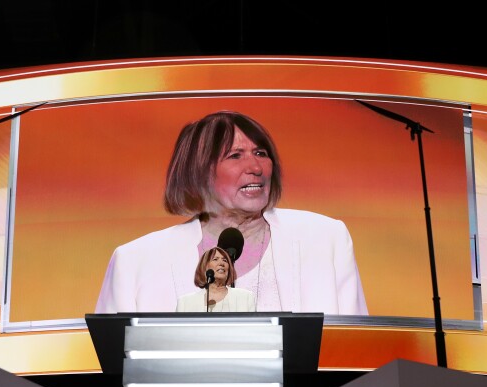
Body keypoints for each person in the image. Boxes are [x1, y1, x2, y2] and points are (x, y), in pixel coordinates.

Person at [95, 110, 368, 314]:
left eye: (261, 153)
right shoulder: (135, 262)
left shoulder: (326, 239)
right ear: (198, 170)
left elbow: (356, 352)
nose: (256, 168)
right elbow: (110, 369)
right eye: (235, 156)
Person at [176, 246, 255, 312]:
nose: (221, 263)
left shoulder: (246, 298)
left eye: (225, 260)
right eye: (215, 259)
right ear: (205, 267)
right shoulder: (185, 304)